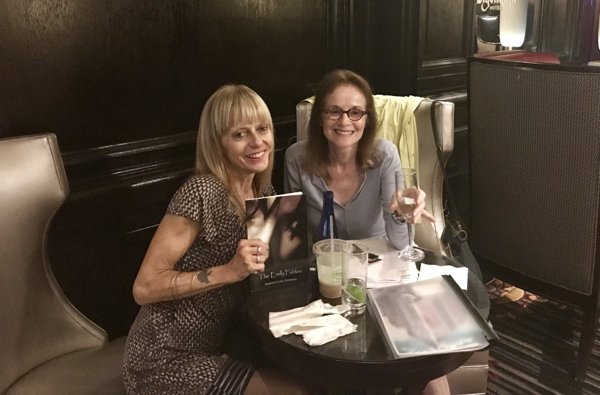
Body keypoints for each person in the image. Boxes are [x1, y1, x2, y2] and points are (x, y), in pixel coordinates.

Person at [123, 84, 314, 394]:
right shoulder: (201, 192)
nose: (257, 142)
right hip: (163, 358)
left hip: (223, 342)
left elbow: (271, 277)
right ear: (218, 143)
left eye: (262, 129)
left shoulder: (263, 194)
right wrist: (228, 272)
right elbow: (144, 288)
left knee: (316, 376)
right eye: (240, 134)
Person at [283, 69, 450, 395]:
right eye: (334, 110)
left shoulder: (385, 154)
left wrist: (401, 214)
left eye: (355, 111)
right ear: (320, 117)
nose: (345, 120)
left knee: (426, 361)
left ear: (367, 119)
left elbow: (399, 243)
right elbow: (297, 236)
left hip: (379, 276)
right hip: (326, 283)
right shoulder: (296, 158)